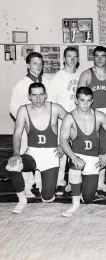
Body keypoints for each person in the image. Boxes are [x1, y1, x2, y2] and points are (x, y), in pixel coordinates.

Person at [6, 82, 67, 214]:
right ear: (29, 96)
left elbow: (72, 124)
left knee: (47, 198)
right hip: (33, 153)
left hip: (51, 156)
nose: (38, 99)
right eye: (34, 95)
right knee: (13, 165)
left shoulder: (55, 108)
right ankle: (22, 200)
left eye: (41, 95)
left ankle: (47, 189)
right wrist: (16, 153)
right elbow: (17, 133)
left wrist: (63, 144)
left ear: (46, 95)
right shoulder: (23, 110)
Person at [60, 87, 106, 218]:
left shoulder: (99, 116)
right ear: (76, 101)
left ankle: (79, 190)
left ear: (92, 101)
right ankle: (75, 202)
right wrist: (74, 157)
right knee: (75, 167)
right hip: (77, 156)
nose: (85, 104)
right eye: (82, 100)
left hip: (93, 159)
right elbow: (63, 140)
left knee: (88, 198)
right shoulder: (69, 117)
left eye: (88, 100)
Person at [9, 52, 49, 198]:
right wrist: (24, 121)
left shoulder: (46, 82)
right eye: (34, 63)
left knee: (42, 154)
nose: (38, 66)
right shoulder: (20, 85)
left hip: (43, 126)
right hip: (26, 127)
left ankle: (40, 183)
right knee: (26, 154)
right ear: (28, 65)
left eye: (40, 63)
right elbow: (13, 107)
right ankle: (26, 186)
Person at [78, 46, 106, 192]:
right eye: (97, 56)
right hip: (89, 112)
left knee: (104, 146)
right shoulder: (86, 74)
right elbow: (79, 95)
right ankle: (77, 178)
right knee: (85, 144)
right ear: (93, 57)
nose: (100, 58)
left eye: (103, 56)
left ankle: (100, 180)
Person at [48, 46, 81, 196]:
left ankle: (74, 181)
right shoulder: (57, 78)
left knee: (77, 150)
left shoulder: (82, 76)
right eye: (69, 56)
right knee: (61, 152)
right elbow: (51, 104)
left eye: (75, 56)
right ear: (64, 59)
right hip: (62, 119)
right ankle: (59, 181)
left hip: (78, 119)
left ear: (78, 59)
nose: (72, 59)